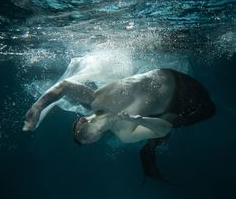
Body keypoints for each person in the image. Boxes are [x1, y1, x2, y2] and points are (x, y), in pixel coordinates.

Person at [23, 68, 216, 180]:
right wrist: (139, 120)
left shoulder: (95, 99)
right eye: (87, 141)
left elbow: (64, 86)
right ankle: (151, 148)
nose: (87, 138)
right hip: (181, 99)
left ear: (83, 119)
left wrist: (37, 108)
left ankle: (152, 145)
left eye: (81, 134)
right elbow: (166, 127)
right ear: (97, 139)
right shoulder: (125, 134)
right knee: (208, 111)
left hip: (174, 75)